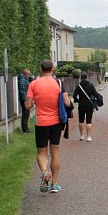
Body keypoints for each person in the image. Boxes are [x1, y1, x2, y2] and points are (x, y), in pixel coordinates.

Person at [26, 60, 71, 193]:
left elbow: (27, 105)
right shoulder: (58, 83)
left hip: (41, 123)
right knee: (55, 151)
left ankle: (45, 172)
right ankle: (54, 184)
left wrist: (35, 102)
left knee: (41, 152)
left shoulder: (34, 84)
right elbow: (67, 103)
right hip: (56, 122)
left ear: (40, 69)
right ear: (53, 69)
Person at [72, 72, 100, 142]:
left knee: (81, 120)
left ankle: (82, 136)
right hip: (89, 105)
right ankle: (88, 137)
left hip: (81, 105)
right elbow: (95, 94)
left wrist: (78, 101)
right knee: (88, 121)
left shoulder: (78, 86)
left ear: (81, 78)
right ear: (86, 77)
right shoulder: (90, 85)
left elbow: (74, 96)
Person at [17, 68, 35, 133]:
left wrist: (31, 78)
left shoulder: (26, 79)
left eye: (29, 74)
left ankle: (26, 128)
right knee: (25, 113)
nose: (29, 75)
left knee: (27, 113)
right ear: (25, 74)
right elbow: (22, 91)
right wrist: (25, 100)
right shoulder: (22, 81)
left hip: (26, 99)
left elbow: (32, 81)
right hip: (24, 99)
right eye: (28, 74)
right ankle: (25, 129)